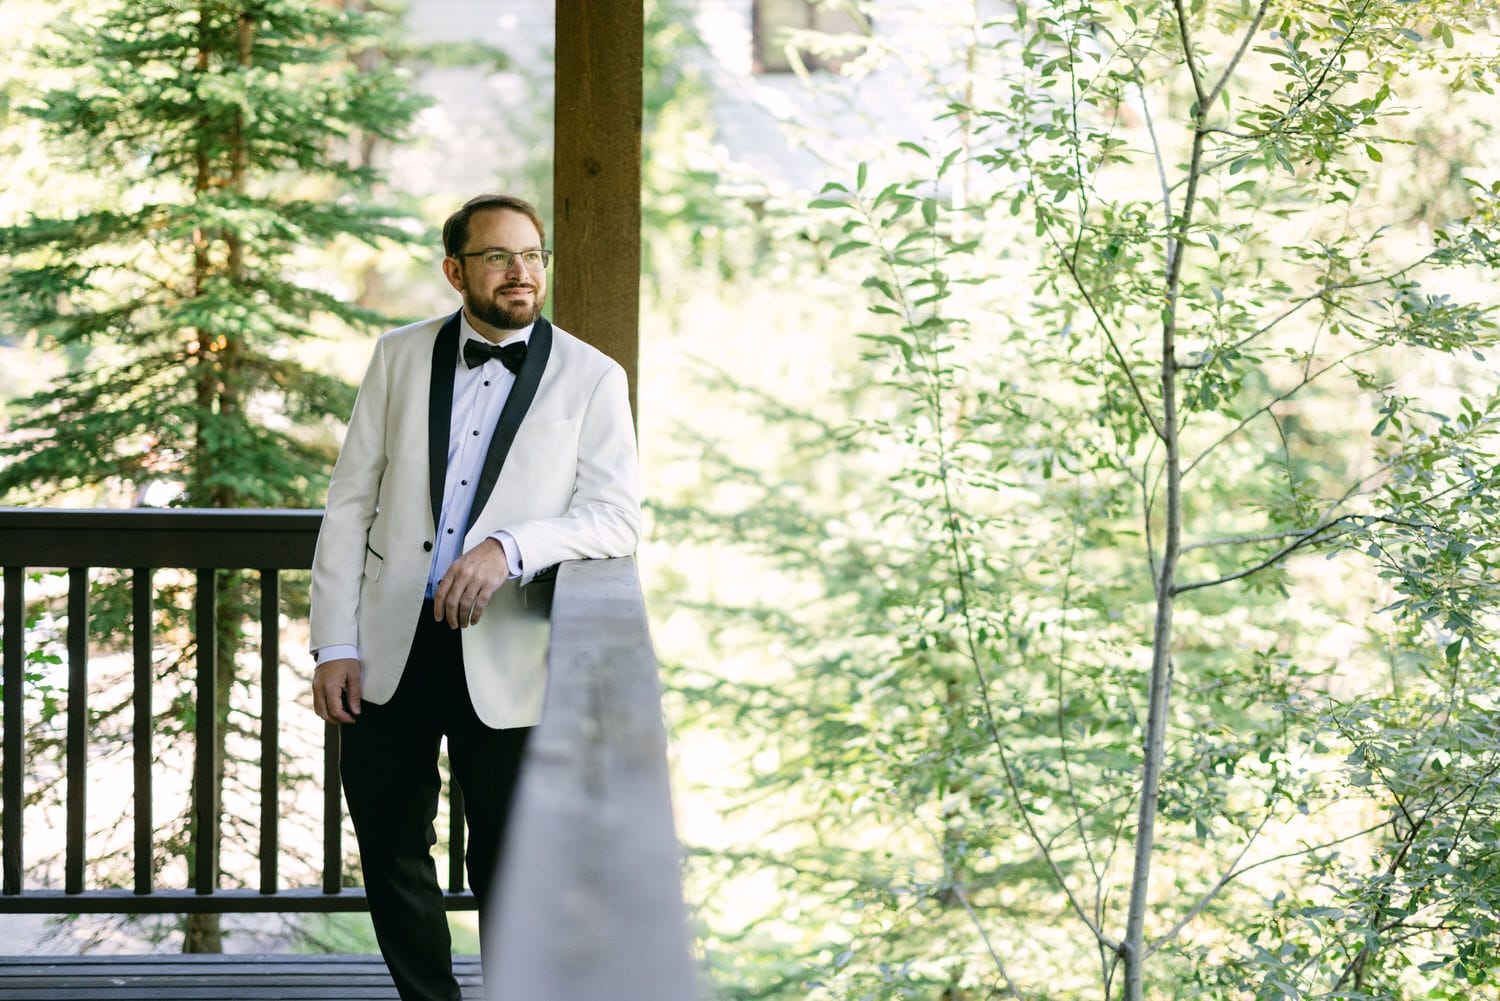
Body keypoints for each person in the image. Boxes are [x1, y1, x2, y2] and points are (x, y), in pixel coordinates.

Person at [308, 193, 642, 1001]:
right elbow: (350, 501)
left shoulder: (594, 377)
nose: (520, 272)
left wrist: (510, 547)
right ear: (456, 269)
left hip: (508, 649)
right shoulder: (397, 356)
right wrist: (334, 643)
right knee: (388, 844)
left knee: (512, 860)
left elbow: (616, 518)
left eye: (532, 255)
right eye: (497, 256)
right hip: (390, 644)